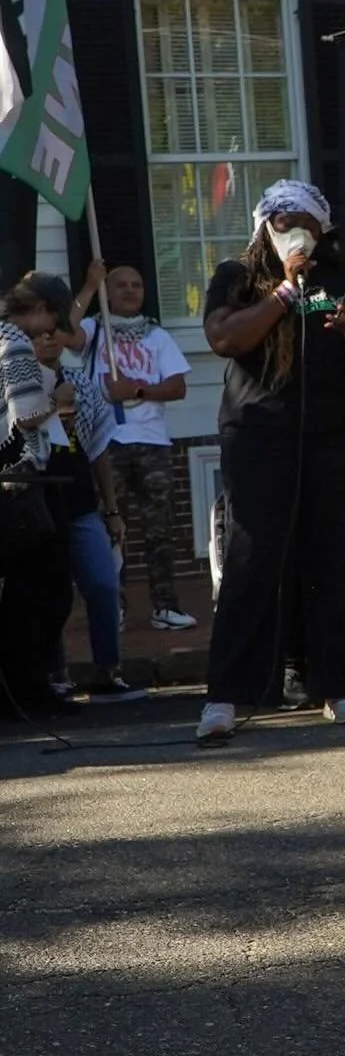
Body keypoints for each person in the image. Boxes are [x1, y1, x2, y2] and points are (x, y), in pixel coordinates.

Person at [196, 180, 345, 742]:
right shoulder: (236, 277)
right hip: (259, 437)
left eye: (305, 222)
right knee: (252, 561)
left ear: (322, 230)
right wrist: (282, 292)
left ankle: (339, 687)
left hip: (333, 438)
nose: (295, 231)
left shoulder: (340, 282)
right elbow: (225, 339)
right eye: (283, 222)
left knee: (333, 560)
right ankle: (227, 696)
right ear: (264, 228)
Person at [70, 259, 195, 631]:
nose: (129, 291)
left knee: (161, 529)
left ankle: (165, 607)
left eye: (136, 285)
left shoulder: (157, 336)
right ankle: (114, 606)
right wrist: (90, 285)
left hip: (152, 443)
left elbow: (177, 386)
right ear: (108, 293)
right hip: (107, 443)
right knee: (110, 529)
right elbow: (65, 331)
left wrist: (136, 390)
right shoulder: (95, 330)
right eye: (120, 285)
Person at [32, 328, 145, 702]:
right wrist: (52, 404)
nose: (48, 339)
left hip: (80, 503)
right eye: (38, 334)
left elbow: (98, 450)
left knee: (103, 583)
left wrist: (111, 509)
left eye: (54, 332)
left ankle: (107, 671)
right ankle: (55, 673)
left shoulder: (81, 383)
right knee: (49, 591)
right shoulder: (18, 386)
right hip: (37, 504)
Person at [0, 273, 83, 719]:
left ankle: (24, 688)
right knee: (41, 591)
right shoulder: (14, 343)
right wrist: (59, 398)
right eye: (53, 320)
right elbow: (27, 414)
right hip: (22, 479)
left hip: (12, 478)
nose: (51, 333)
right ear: (39, 309)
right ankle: (29, 689)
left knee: (24, 592)